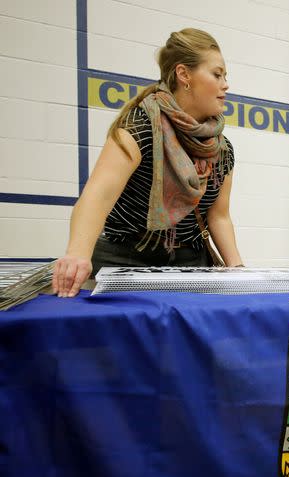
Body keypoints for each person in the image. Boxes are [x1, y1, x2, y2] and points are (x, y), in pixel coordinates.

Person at [52, 29, 243, 297]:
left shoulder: (221, 149)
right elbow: (98, 195)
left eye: (225, 76)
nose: (225, 85)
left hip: (190, 265)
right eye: (217, 74)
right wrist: (77, 254)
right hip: (124, 261)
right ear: (184, 75)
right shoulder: (140, 127)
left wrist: (239, 270)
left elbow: (219, 216)